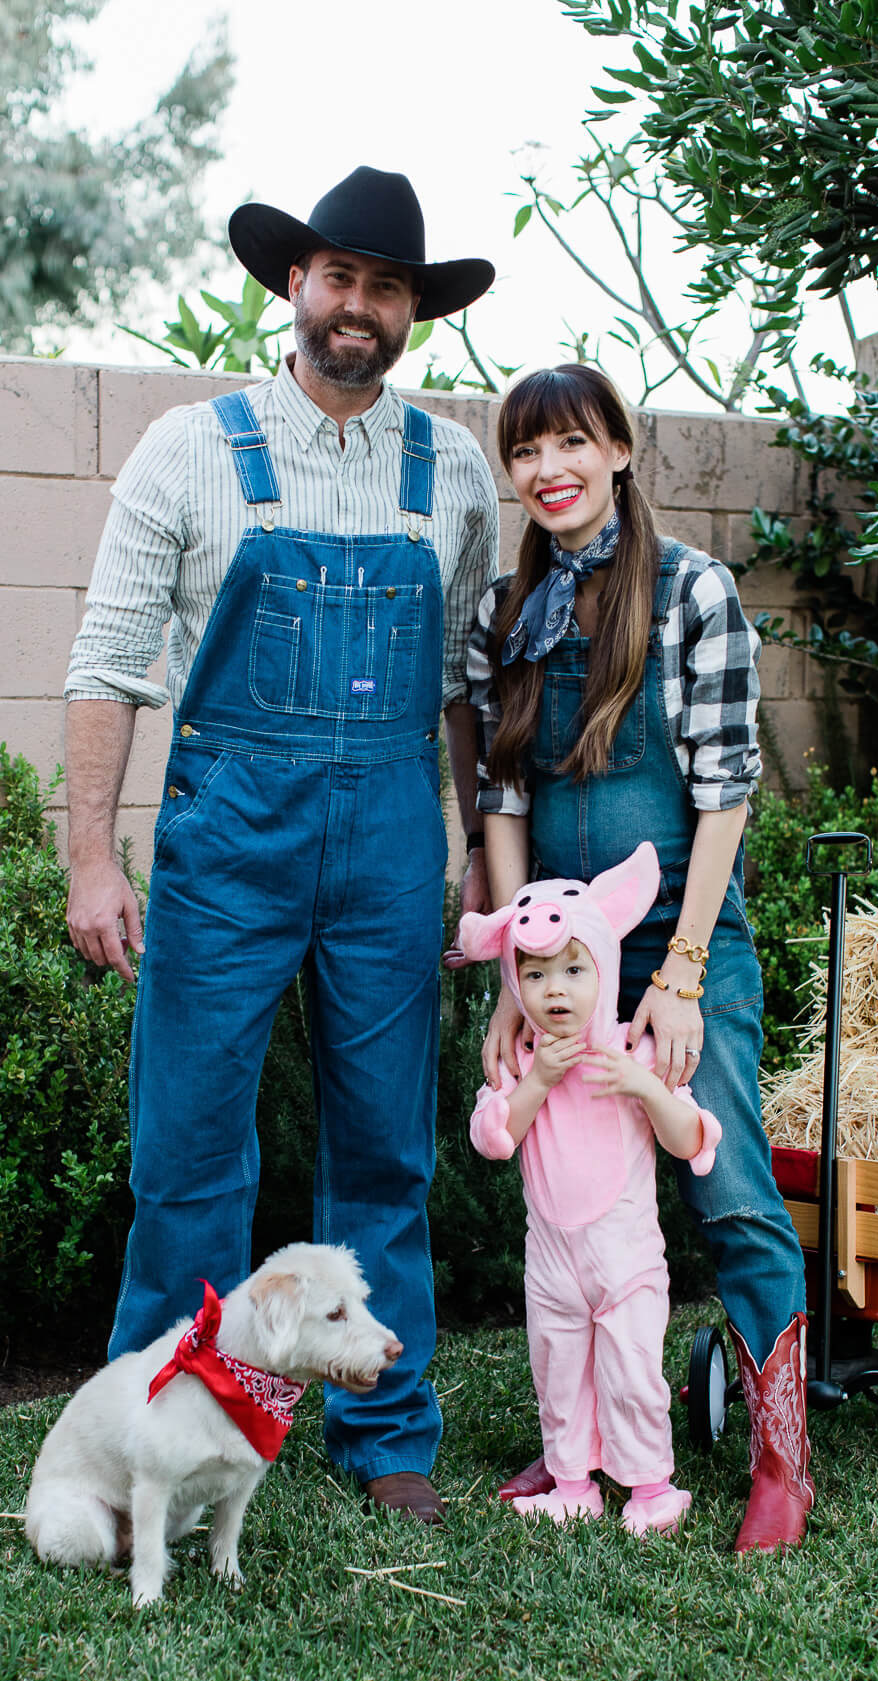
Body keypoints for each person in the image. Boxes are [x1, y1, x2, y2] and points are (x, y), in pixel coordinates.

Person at [63, 167, 500, 1527]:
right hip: (227, 845)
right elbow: (109, 662)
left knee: (381, 1152)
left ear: (413, 312)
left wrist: (475, 851)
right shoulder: (190, 452)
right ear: (291, 287)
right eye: (337, 277)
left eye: (386, 286)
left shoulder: (457, 468)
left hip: (385, 841)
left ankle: (388, 1432)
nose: (357, 305)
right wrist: (90, 857)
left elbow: (462, 687)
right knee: (192, 1150)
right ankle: (166, 1430)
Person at [468, 364, 814, 1554]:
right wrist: (519, 981)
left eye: (570, 443)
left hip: (679, 950)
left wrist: (676, 975)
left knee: (724, 1193)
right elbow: (498, 796)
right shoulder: (503, 612)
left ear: (617, 448)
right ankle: (588, 1439)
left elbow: (724, 797)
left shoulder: (689, 590)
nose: (547, 471)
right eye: (524, 453)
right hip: (557, 962)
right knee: (570, 1211)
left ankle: (782, 1456)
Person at [459, 848, 722, 1532]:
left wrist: (644, 1086)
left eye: (575, 971)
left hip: (626, 1261)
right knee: (559, 1369)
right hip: (553, 1265)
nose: (556, 990)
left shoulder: (630, 1050)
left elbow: (692, 1137)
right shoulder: (525, 1060)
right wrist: (537, 1082)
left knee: (632, 1372)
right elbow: (493, 1137)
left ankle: (650, 1488)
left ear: (603, 971)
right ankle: (573, 1483)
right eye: (537, 974)